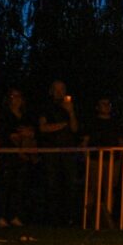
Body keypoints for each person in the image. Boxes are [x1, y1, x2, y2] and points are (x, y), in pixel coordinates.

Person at [38, 80, 80, 226]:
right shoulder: (46, 107)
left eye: (62, 89)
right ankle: (52, 219)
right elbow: (43, 128)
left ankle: (69, 217)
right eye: (56, 89)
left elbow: (75, 129)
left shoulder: (70, 107)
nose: (59, 92)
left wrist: (71, 112)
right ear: (51, 91)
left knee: (70, 184)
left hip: (68, 151)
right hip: (51, 151)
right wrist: (61, 125)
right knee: (52, 184)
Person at [0, 88, 34, 228]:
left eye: (18, 96)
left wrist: (27, 138)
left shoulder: (25, 115)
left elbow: (31, 133)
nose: (16, 99)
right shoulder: (4, 114)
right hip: (8, 155)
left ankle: (14, 215)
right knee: (4, 185)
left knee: (18, 186)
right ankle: (1, 215)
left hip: (23, 156)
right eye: (13, 96)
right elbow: (8, 134)